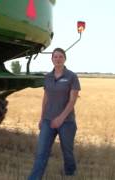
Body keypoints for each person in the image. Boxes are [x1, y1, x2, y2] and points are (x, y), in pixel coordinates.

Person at [28, 48, 81, 180]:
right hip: (48, 120)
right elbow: (45, 98)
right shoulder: (48, 77)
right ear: (52, 59)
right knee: (41, 152)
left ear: (65, 59)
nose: (58, 59)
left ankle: (70, 172)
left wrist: (61, 118)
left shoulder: (72, 77)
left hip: (67, 122)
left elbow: (72, 100)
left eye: (60, 57)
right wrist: (41, 118)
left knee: (67, 151)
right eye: (55, 57)